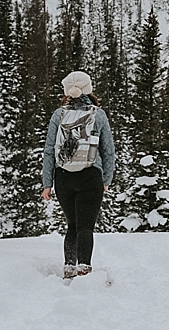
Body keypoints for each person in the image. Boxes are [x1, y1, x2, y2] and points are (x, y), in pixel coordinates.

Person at [42, 71, 115, 279]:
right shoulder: (98, 114)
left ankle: (68, 268)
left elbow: (49, 150)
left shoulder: (58, 115)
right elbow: (108, 151)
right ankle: (84, 268)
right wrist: (106, 179)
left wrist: (47, 183)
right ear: (88, 89)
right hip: (90, 175)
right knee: (85, 226)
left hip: (63, 177)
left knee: (72, 225)